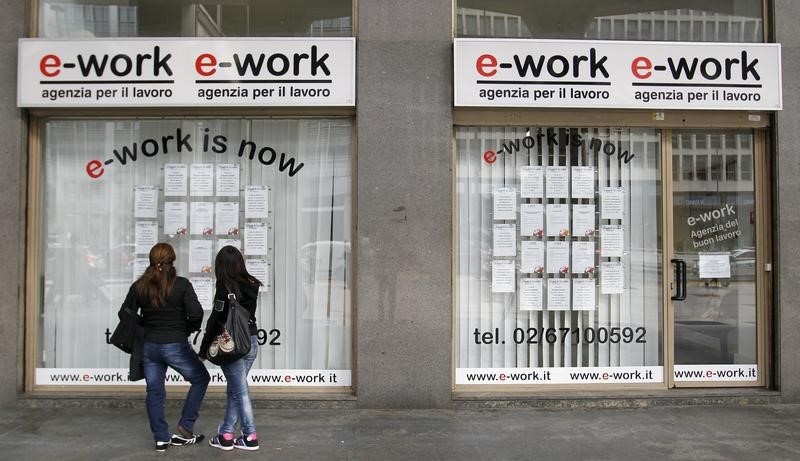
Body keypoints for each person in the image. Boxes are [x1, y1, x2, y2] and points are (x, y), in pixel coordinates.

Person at [118, 242, 210, 452]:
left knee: (155, 391)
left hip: (149, 346)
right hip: (175, 344)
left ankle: (161, 438)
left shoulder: (140, 286)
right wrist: (187, 329)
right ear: (173, 261)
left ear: (151, 262)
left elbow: (124, 314)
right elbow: (196, 314)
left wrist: (143, 326)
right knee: (201, 378)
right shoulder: (182, 285)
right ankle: (185, 427)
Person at [200, 245, 263, 451]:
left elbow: (216, 320)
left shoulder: (224, 287)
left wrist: (203, 350)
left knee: (240, 392)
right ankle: (226, 433)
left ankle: (249, 435)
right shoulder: (252, 284)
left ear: (221, 265)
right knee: (236, 390)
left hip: (232, 346)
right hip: (251, 341)